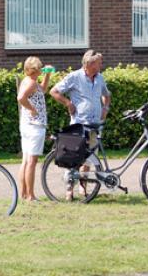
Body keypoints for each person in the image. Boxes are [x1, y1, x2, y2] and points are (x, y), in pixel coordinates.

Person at [50, 50, 111, 201]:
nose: (101, 65)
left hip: (94, 124)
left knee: (89, 159)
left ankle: (83, 189)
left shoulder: (100, 78)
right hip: (79, 124)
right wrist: (68, 103)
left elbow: (107, 95)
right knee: (74, 158)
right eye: (99, 63)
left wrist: (105, 108)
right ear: (90, 64)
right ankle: (69, 190)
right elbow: (54, 91)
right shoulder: (75, 77)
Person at [17, 56, 52, 202]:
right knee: (32, 161)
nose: (41, 69)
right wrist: (32, 109)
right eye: (40, 68)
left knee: (26, 160)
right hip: (35, 126)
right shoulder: (31, 83)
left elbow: (42, 90)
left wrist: (48, 75)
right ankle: (30, 195)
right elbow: (21, 98)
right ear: (35, 69)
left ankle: (24, 193)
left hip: (27, 125)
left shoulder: (28, 81)